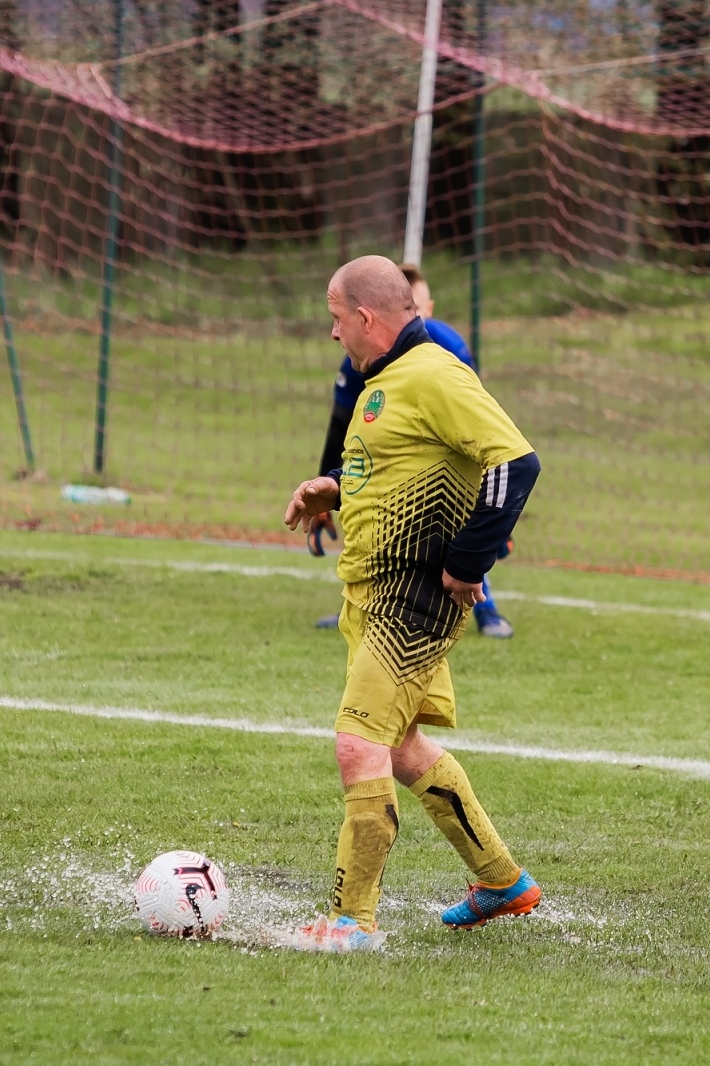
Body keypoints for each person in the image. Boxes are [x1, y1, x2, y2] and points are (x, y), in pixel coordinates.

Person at [282, 255, 543, 951]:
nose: (333, 332)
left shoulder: (434, 373)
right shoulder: (386, 380)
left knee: (357, 743)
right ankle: (502, 882)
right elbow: (395, 466)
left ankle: (352, 921)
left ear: (366, 317)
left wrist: (466, 563)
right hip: (372, 595)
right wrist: (333, 486)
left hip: (415, 597)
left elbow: (515, 462)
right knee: (399, 746)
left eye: (336, 318)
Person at [307, 263, 516, 639]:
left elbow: (487, 446)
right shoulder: (363, 360)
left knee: (453, 538)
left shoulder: (445, 359)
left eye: (414, 310)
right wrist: (330, 484)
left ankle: (488, 610)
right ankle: (363, 603)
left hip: (446, 488)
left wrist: (490, 530)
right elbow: (344, 428)